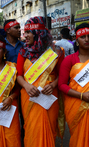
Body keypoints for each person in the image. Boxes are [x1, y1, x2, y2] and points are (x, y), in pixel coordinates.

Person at [17, 16, 64, 147]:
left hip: (50, 97)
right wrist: (26, 85)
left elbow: (63, 75)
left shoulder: (57, 52)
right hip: (29, 96)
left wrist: (54, 85)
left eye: (28, 32)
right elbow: (19, 75)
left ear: (39, 33)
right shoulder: (23, 52)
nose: (25, 35)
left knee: (49, 128)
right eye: (24, 32)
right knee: (32, 129)